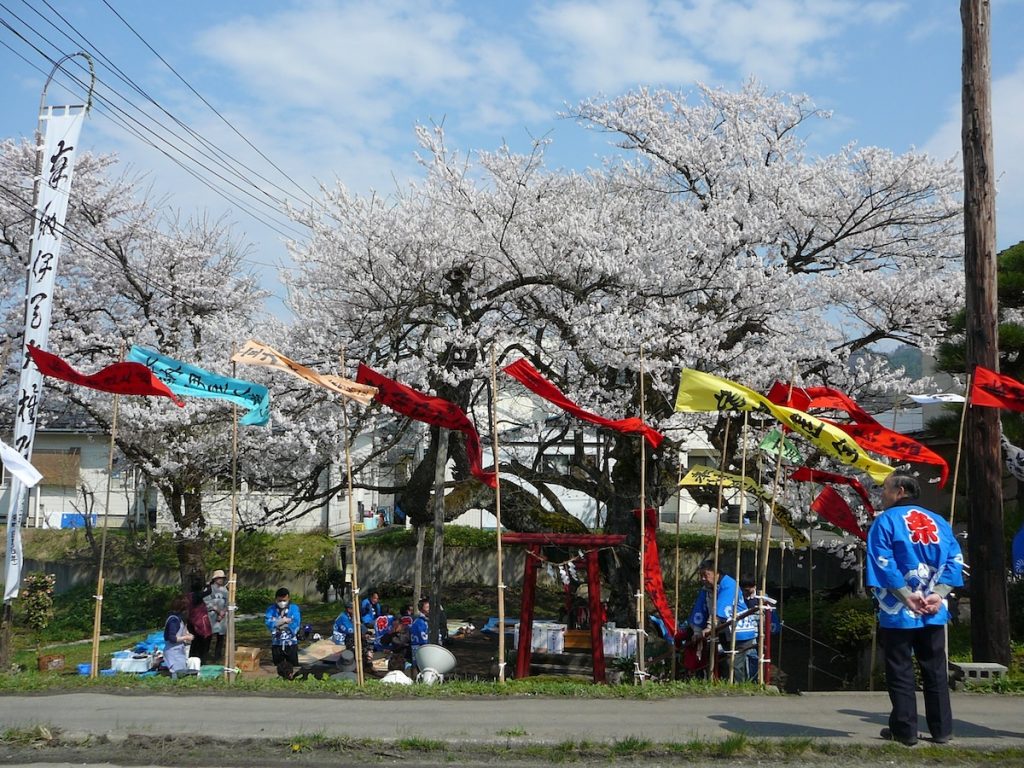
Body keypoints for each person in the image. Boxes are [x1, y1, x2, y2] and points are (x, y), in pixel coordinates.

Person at [866, 472, 963, 746]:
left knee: (900, 670)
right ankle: (942, 730)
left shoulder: (886, 521)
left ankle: (905, 731)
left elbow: (882, 561)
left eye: (885, 489)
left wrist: (907, 595)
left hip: (899, 609)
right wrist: (939, 593)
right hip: (934, 608)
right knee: (935, 670)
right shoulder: (940, 523)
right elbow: (956, 559)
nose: (882, 495)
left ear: (900, 490)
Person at [686, 560, 756, 682]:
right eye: (701, 575)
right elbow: (699, 610)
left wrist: (709, 626)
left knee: (733, 663)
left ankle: (739, 688)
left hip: (739, 631)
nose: (702, 579)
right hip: (723, 631)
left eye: (705, 575)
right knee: (722, 661)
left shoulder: (729, 585)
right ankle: (725, 684)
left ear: (716, 573)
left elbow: (722, 608)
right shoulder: (706, 589)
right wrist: (697, 630)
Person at [265, 587, 302, 671]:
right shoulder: (271, 609)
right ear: (276, 599)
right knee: (278, 667)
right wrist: (282, 622)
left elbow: (296, 622)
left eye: (284, 600)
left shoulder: (294, 608)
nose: (282, 603)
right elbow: (269, 623)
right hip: (276, 642)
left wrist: (280, 624)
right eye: (280, 600)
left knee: (293, 666)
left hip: (291, 642)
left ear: (288, 598)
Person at [162, 595, 193, 679]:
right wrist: (186, 638)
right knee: (178, 674)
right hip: (173, 652)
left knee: (182, 673)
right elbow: (172, 638)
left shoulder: (179, 618)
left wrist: (186, 633)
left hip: (178, 651)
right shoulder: (174, 620)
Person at [186, 576, 213, 666]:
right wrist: (209, 585)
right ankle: (201, 661)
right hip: (199, 623)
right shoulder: (197, 596)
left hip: (191, 622)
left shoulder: (189, 595)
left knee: (194, 643)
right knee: (202, 643)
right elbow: (208, 592)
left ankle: (193, 660)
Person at [205, 569, 228, 663]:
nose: (221, 580)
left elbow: (228, 602)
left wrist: (223, 612)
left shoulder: (225, 590)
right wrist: (217, 610)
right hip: (211, 615)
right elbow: (206, 602)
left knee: (220, 637)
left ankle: (217, 656)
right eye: (219, 578)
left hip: (222, 617)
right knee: (208, 636)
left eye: (222, 578)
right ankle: (205, 655)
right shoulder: (209, 589)